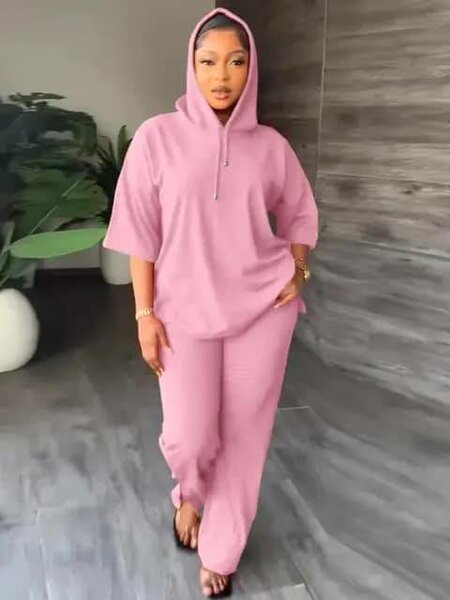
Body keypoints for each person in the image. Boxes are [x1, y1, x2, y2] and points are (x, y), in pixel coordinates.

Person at [102, 6, 319, 598]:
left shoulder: (270, 146)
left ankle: (222, 548)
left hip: (262, 310)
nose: (222, 75)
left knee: (245, 436)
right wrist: (144, 313)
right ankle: (190, 494)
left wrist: (298, 268)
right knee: (190, 435)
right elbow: (140, 232)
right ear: (191, 67)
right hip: (181, 311)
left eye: (235, 62)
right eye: (208, 62)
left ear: (251, 69)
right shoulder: (157, 138)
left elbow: (299, 210)